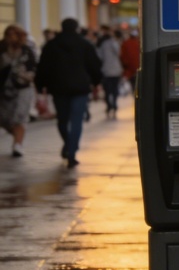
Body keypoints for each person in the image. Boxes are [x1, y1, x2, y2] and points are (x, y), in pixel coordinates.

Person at [35, 18, 102, 168]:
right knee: (77, 121)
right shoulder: (85, 44)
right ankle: (72, 151)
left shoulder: (51, 45)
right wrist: (96, 81)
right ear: (77, 27)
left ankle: (68, 144)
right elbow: (95, 65)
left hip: (58, 88)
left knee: (62, 120)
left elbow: (43, 67)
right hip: (80, 87)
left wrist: (40, 85)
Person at [0, 24, 37, 157]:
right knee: (3, 118)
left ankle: (18, 145)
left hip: (23, 88)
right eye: (8, 34)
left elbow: (33, 68)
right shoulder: (2, 48)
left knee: (20, 117)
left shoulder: (27, 50)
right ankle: (16, 135)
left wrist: (27, 76)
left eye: (13, 34)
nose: (11, 38)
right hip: (4, 89)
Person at [97, 26, 122, 119]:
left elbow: (100, 57)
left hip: (106, 70)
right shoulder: (115, 43)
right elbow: (119, 53)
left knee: (107, 90)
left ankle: (109, 106)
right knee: (115, 89)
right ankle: (114, 105)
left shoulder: (102, 45)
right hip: (116, 70)